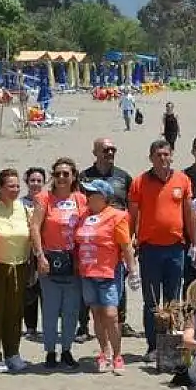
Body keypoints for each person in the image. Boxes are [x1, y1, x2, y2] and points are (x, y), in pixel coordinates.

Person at [132, 139, 196, 361]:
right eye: (158, 154)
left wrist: (194, 243)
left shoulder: (183, 180)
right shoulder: (140, 182)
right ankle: (152, 346)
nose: (162, 158)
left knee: (173, 301)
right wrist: (131, 241)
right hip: (149, 249)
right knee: (151, 301)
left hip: (175, 249)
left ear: (172, 156)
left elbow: (189, 215)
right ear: (151, 157)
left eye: (166, 154)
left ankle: (170, 345)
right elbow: (133, 215)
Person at [76, 179, 141, 373]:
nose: (88, 197)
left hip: (109, 272)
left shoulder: (117, 216)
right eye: (87, 194)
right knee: (96, 314)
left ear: (103, 197)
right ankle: (103, 352)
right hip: (87, 272)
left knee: (111, 315)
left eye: (92, 194)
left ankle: (118, 354)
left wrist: (133, 270)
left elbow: (126, 245)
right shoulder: (83, 216)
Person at [30, 158, 86, 369]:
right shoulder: (43, 198)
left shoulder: (80, 199)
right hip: (50, 259)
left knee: (71, 309)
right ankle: (51, 351)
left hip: (74, 260)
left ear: (73, 176)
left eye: (66, 174)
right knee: (51, 308)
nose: (62, 178)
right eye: (58, 174)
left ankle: (67, 350)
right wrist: (40, 255)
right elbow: (35, 227)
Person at [81, 137, 136, 340]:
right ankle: (84, 325)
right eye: (105, 150)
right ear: (95, 152)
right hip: (92, 238)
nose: (110, 153)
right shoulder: (84, 177)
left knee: (117, 283)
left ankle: (120, 322)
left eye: (113, 149)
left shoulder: (123, 177)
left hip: (119, 237)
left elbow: (133, 208)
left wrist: (132, 236)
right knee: (89, 283)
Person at [0, 168, 32, 374]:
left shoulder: (23, 208)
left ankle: (12, 353)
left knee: (14, 312)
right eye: (10, 186)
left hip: (20, 265)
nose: (15, 190)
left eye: (18, 186)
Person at [21, 166, 48, 341]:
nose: (36, 184)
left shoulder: (48, 200)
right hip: (25, 250)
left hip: (46, 250)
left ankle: (48, 325)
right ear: (27, 182)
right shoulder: (19, 203)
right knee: (28, 289)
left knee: (45, 290)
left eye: (39, 181)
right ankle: (30, 327)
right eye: (32, 180)